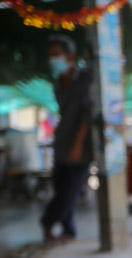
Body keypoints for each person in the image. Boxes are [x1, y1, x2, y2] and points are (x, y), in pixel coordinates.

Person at [41, 35, 93, 244]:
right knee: (61, 189)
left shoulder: (85, 78)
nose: (52, 59)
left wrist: (77, 145)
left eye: (56, 54)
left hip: (80, 147)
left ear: (70, 56)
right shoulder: (57, 82)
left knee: (69, 193)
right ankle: (68, 230)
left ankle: (47, 222)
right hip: (61, 143)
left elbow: (87, 115)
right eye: (50, 56)